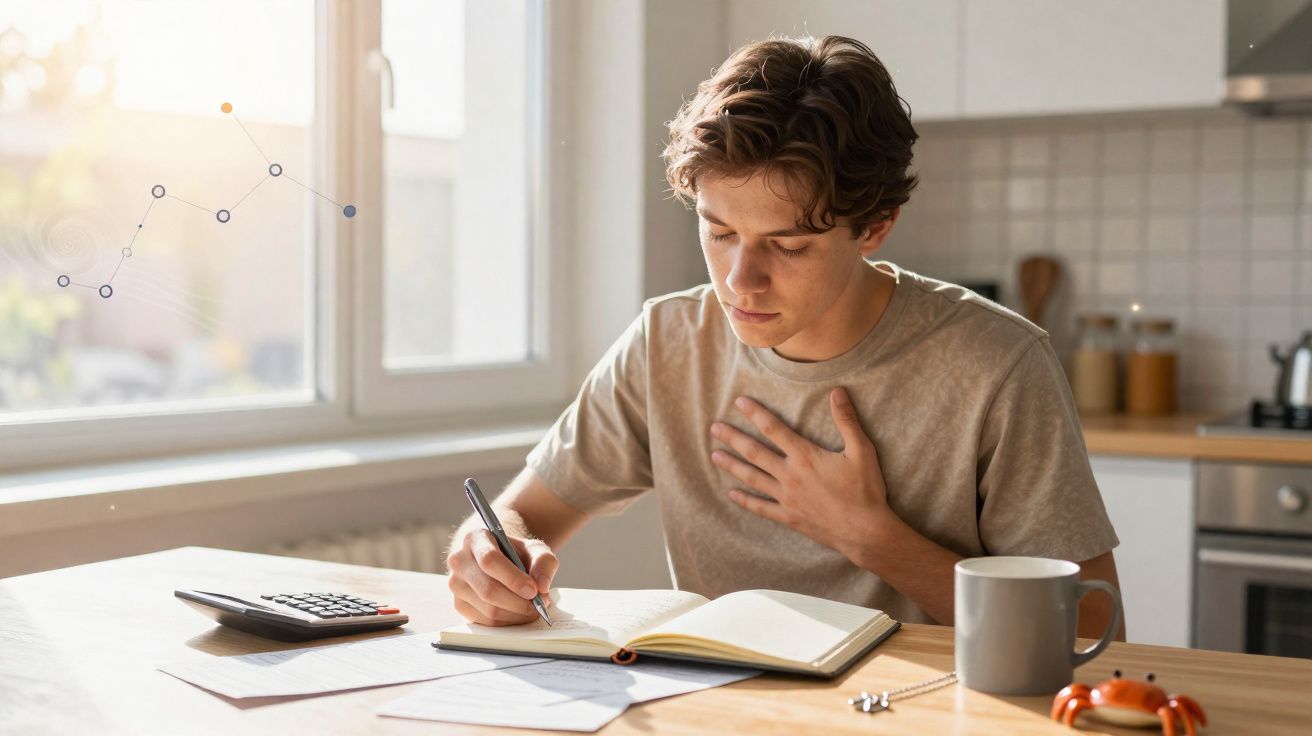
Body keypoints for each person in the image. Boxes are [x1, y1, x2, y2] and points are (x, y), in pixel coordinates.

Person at [445, 35, 1123, 638]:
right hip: (721, 710)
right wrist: (489, 553)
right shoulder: (667, 342)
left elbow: (1091, 631)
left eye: (789, 244)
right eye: (719, 232)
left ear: (876, 226)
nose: (742, 280)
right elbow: (519, 516)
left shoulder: (997, 365)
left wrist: (872, 538)